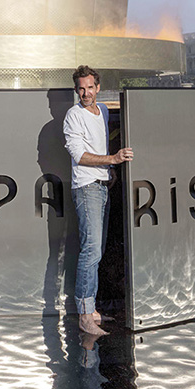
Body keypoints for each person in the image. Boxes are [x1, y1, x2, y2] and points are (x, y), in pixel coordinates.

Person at [63, 64, 133, 337]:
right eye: (81, 88)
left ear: (98, 88)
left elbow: (98, 147)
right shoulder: (73, 116)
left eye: (90, 87)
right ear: (76, 89)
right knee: (90, 252)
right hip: (86, 188)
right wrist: (112, 160)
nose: (86, 93)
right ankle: (84, 316)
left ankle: (91, 310)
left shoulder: (102, 111)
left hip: (102, 186)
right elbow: (79, 155)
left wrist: (110, 170)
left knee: (97, 252)